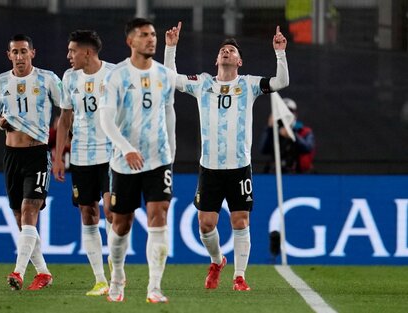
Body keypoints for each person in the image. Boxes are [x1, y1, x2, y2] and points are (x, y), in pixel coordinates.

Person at [164, 22, 289, 290]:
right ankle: (217, 260)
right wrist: (170, 48)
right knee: (206, 224)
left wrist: (280, 53)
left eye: (231, 50)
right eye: (223, 50)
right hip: (209, 167)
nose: (226, 52)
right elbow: (171, 79)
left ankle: (239, 276)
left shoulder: (249, 85)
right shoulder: (202, 83)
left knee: (239, 220)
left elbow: (281, 82)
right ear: (216, 59)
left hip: (239, 167)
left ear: (239, 61)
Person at [99, 18, 177, 303]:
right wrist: (125, 148)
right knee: (121, 224)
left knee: (160, 216)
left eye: (153, 34)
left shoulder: (164, 75)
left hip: (158, 160)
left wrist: (172, 153)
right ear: (130, 41)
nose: (151, 39)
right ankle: (117, 277)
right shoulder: (117, 75)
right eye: (144, 35)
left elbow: (169, 113)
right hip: (124, 162)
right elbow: (105, 118)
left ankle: (154, 287)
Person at [0, 34, 62, 290]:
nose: (19, 56)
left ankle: (18, 272)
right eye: (15, 52)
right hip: (12, 155)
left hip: (37, 153)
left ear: (33, 52)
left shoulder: (48, 79)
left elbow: (66, 109)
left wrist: (60, 145)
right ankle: (43, 272)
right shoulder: (0, 81)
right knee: (21, 218)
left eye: (23, 51)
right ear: (9, 55)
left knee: (30, 211)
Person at [52, 29, 114, 296]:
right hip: (81, 157)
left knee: (112, 211)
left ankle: (117, 271)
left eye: (72, 51)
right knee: (88, 213)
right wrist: (57, 157)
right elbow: (65, 119)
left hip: (112, 155)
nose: (68, 56)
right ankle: (100, 280)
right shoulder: (70, 78)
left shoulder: (115, 74)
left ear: (87, 52)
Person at [259, 98, 315, 173]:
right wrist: (269, 129)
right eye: (282, 112)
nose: (285, 115)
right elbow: (263, 149)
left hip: (297, 173)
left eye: (289, 112)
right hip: (275, 172)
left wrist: (292, 135)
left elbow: (308, 148)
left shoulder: (304, 131)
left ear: (295, 114)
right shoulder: (274, 131)